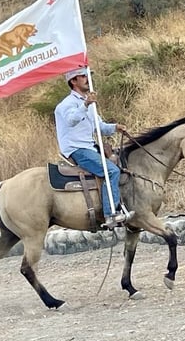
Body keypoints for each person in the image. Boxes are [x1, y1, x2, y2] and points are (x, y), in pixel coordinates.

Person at [54, 67, 134, 229]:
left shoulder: (88, 102)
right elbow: (71, 120)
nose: (87, 79)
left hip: (89, 147)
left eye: (88, 76)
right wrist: (86, 104)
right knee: (112, 171)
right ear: (73, 81)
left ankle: (121, 206)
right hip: (77, 149)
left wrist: (116, 127)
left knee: (120, 163)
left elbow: (100, 127)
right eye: (83, 76)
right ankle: (110, 213)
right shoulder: (66, 104)